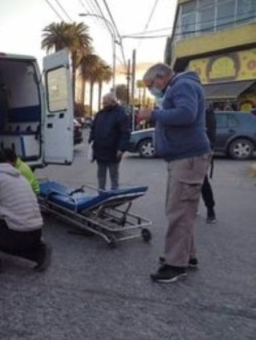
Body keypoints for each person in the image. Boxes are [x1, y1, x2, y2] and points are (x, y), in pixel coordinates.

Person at [139, 63, 211, 283]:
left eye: (151, 85)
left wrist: (154, 114)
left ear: (161, 77)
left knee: (178, 212)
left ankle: (175, 266)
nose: (152, 89)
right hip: (184, 158)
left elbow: (186, 114)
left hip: (187, 158)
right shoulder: (180, 86)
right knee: (183, 210)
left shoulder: (182, 86)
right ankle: (186, 256)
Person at [88, 92, 130, 190]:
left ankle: (114, 196)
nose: (104, 105)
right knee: (101, 176)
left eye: (105, 103)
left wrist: (121, 148)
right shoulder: (99, 114)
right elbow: (93, 128)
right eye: (103, 103)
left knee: (113, 175)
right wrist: (91, 140)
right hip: (99, 151)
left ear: (113, 102)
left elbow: (125, 133)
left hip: (114, 151)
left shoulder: (120, 114)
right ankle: (101, 194)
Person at [202, 104, 217, 223]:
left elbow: (211, 132)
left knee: (202, 180)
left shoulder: (206, 111)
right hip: (187, 150)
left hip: (202, 150)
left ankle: (210, 211)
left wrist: (211, 149)